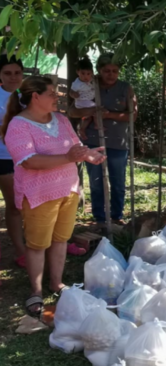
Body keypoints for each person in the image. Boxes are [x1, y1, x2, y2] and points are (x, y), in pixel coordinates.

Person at [2, 76, 105, 317]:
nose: (57, 96)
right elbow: (28, 161)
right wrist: (69, 158)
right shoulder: (18, 125)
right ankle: (35, 291)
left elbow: (75, 147)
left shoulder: (61, 119)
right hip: (39, 194)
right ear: (35, 96)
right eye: (52, 92)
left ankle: (56, 283)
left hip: (68, 189)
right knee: (37, 244)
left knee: (60, 239)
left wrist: (88, 154)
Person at [68, 53, 138, 226]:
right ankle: (99, 217)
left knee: (118, 181)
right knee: (97, 181)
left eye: (115, 71)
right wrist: (91, 113)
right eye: (106, 71)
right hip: (93, 140)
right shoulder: (89, 84)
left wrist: (110, 114)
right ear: (99, 70)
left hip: (118, 141)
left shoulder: (125, 88)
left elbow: (133, 115)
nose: (111, 74)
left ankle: (116, 215)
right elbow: (72, 111)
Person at [0, 55, 26, 269]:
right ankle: (16, 251)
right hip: (2, 157)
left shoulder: (27, 96)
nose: (13, 77)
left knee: (19, 206)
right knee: (14, 206)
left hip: (22, 158)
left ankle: (24, 250)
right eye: (7, 73)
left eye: (17, 72)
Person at [69, 56, 95, 141]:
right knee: (97, 108)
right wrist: (74, 95)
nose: (85, 76)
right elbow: (71, 92)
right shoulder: (77, 83)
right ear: (78, 72)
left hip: (88, 101)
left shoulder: (92, 79)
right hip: (81, 102)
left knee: (88, 117)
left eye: (88, 74)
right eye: (83, 73)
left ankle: (82, 129)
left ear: (91, 73)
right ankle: (98, 125)